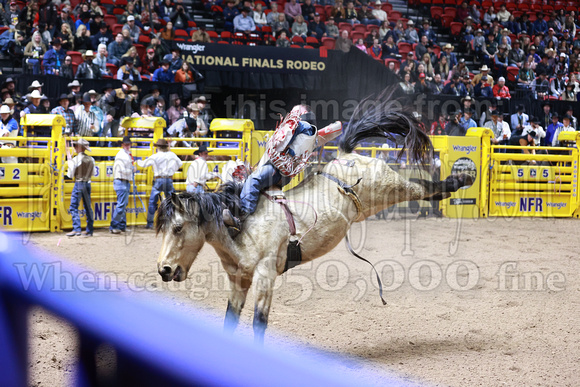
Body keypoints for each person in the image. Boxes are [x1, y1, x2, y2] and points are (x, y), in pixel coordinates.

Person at [223, 106, 342, 234]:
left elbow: (283, 139)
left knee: (253, 180)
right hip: (285, 176)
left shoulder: (301, 126)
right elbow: (334, 130)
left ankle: (242, 218)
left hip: (276, 169)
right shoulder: (313, 139)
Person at [137, 139, 183, 229]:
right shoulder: (172, 155)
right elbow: (180, 164)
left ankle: (150, 223)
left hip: (158, 179)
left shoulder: (156, 156)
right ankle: (171, 221)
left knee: (152, 202)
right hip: (169, 179)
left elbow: (143, 164)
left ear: (158, 147)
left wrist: (137, 161)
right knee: (171, 201)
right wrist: (172, 170)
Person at [65, 138, 96, 237]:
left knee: (74, 206)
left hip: (79, 183)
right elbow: (94, 173)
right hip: (87, 183)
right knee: (88, 207)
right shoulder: (91, 159)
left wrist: (69, 159)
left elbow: (70, 173)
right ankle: (89, 230)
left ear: (79, 147)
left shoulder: (76, 159)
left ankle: (77, 228)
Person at [110, 136, 134, 234]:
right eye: (126, 144)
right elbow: (122, 170)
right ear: (123, 145)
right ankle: (114, 225)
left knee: (123, 205)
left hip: (123, 181)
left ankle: (121, 225)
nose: (128, 146)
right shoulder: (122, 155)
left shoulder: (125, 155)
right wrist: (132, 170)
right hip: (121, 180)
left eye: (129, 144)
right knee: (121, 205)